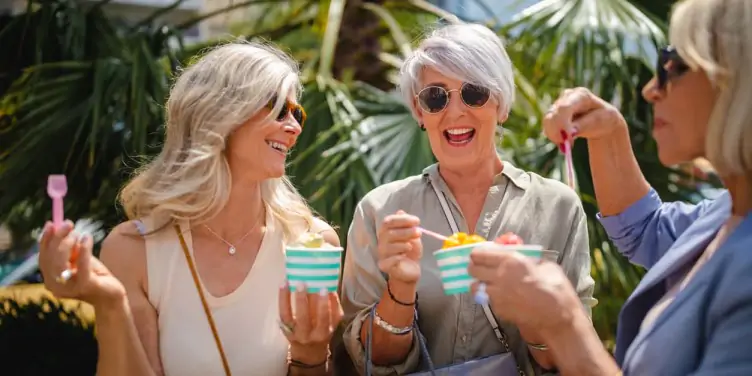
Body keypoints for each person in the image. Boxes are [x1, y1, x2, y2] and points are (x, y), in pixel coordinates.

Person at [467, 0, 752, 374]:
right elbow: (648, 231)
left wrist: (563, 324)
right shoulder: (728, 212)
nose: (652, 90)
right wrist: (608, 134)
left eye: (673, 66)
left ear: (736, 79)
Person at [38, 42, 343, 376]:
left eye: (297, 113)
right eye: (278, 109)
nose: (295, 127)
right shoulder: (134, 250)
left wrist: (310, 355)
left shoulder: (313, 245)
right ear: (220, 112)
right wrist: (111, 305)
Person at [339, 23, 596, 375]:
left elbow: (575, 357)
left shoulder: (557, 207)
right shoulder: (380, 211)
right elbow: (366, 362)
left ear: (501, 105)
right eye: (435, 96)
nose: (455, 112)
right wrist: (401, 287)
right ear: (419, 111)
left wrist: (533, 310)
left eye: (474, 93)